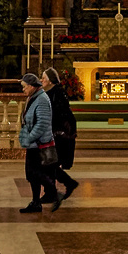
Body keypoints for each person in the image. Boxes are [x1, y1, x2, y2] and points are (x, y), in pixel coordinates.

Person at [17, 72, 58, 213]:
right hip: (35, 144)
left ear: (32, 86)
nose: (23, 90)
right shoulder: (34, 97)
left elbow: (42, 123)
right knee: (32, 174)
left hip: (39, 144)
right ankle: (37, 201)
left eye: (24, 87)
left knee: (35, 173)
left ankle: (42, 198)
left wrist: (29, 138)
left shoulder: (41, 99)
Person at [42, 67, 80, 202]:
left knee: (49, 163)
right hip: (53, 132)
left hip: (58, 133)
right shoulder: (51, 92)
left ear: (51, 80)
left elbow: (60, 114)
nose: (41, 80)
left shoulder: (56, 93)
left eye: (44, 78)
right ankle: (55, 189)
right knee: (48, 163)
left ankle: (56, 189)